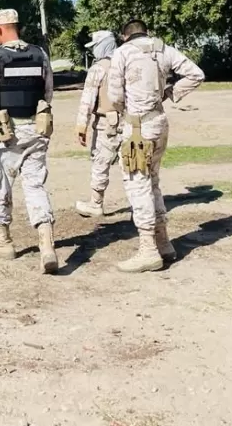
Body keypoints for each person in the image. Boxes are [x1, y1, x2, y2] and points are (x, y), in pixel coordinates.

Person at [108, 20, 204, 273]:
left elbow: (115, 96)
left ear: (124, 36)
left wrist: (124, 110)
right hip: (159, 122)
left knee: (137, 184)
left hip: (137, 127)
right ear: (145, 32)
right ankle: (163, 243)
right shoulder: (163, 49)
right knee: (153, 181)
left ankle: (148, 249)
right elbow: (196, 74)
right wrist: (170, 92)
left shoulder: (122, 53)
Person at [0, 9, 58, 274]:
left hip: (5, 134)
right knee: (35, 185)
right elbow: (48, 92)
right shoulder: (40, 54)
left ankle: (4, 241)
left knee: (1, 184)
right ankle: (46, 244)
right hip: (37, 130)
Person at [74, 30, 121, 220]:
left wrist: (81, 126)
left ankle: (96, 203)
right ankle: (141, 204)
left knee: (100, 162)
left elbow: (87, 100)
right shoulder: (127, 62)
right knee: (133, 166)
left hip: (106, 124)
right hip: (132, 122)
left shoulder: (98, 68)